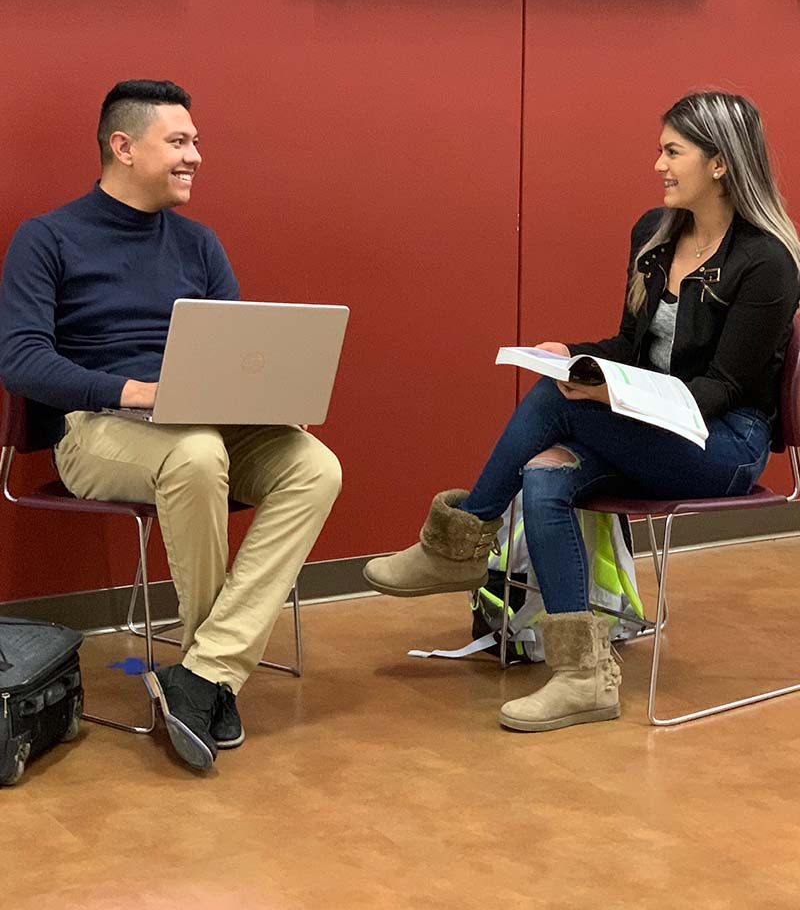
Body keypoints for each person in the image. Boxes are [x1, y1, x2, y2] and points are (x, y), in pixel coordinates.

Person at [365, 92, 800, 733]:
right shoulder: (654, 235)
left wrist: (617, 397)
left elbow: (725, 387)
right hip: (654, 429)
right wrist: (573, 354)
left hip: (725, 445)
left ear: (720, 164)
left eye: (673, 151)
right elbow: (631, 345)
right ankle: (584, 678)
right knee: (545, 470)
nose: (658, 164)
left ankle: (460, 540)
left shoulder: (767, 261)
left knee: (552, 402)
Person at [0, 80, 342, 771]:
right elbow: (20, 360)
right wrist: (135, 390)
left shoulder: (199, 243)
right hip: (95, 430)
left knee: (315, 466)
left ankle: (205, 673)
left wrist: (269, 394)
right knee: (194, 453)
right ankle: (211, 676)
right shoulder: (47, 238)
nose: (196, 157)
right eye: (179, 142)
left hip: (203, 426)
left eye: (196, 143)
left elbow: (236, 351)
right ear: (124, 147)